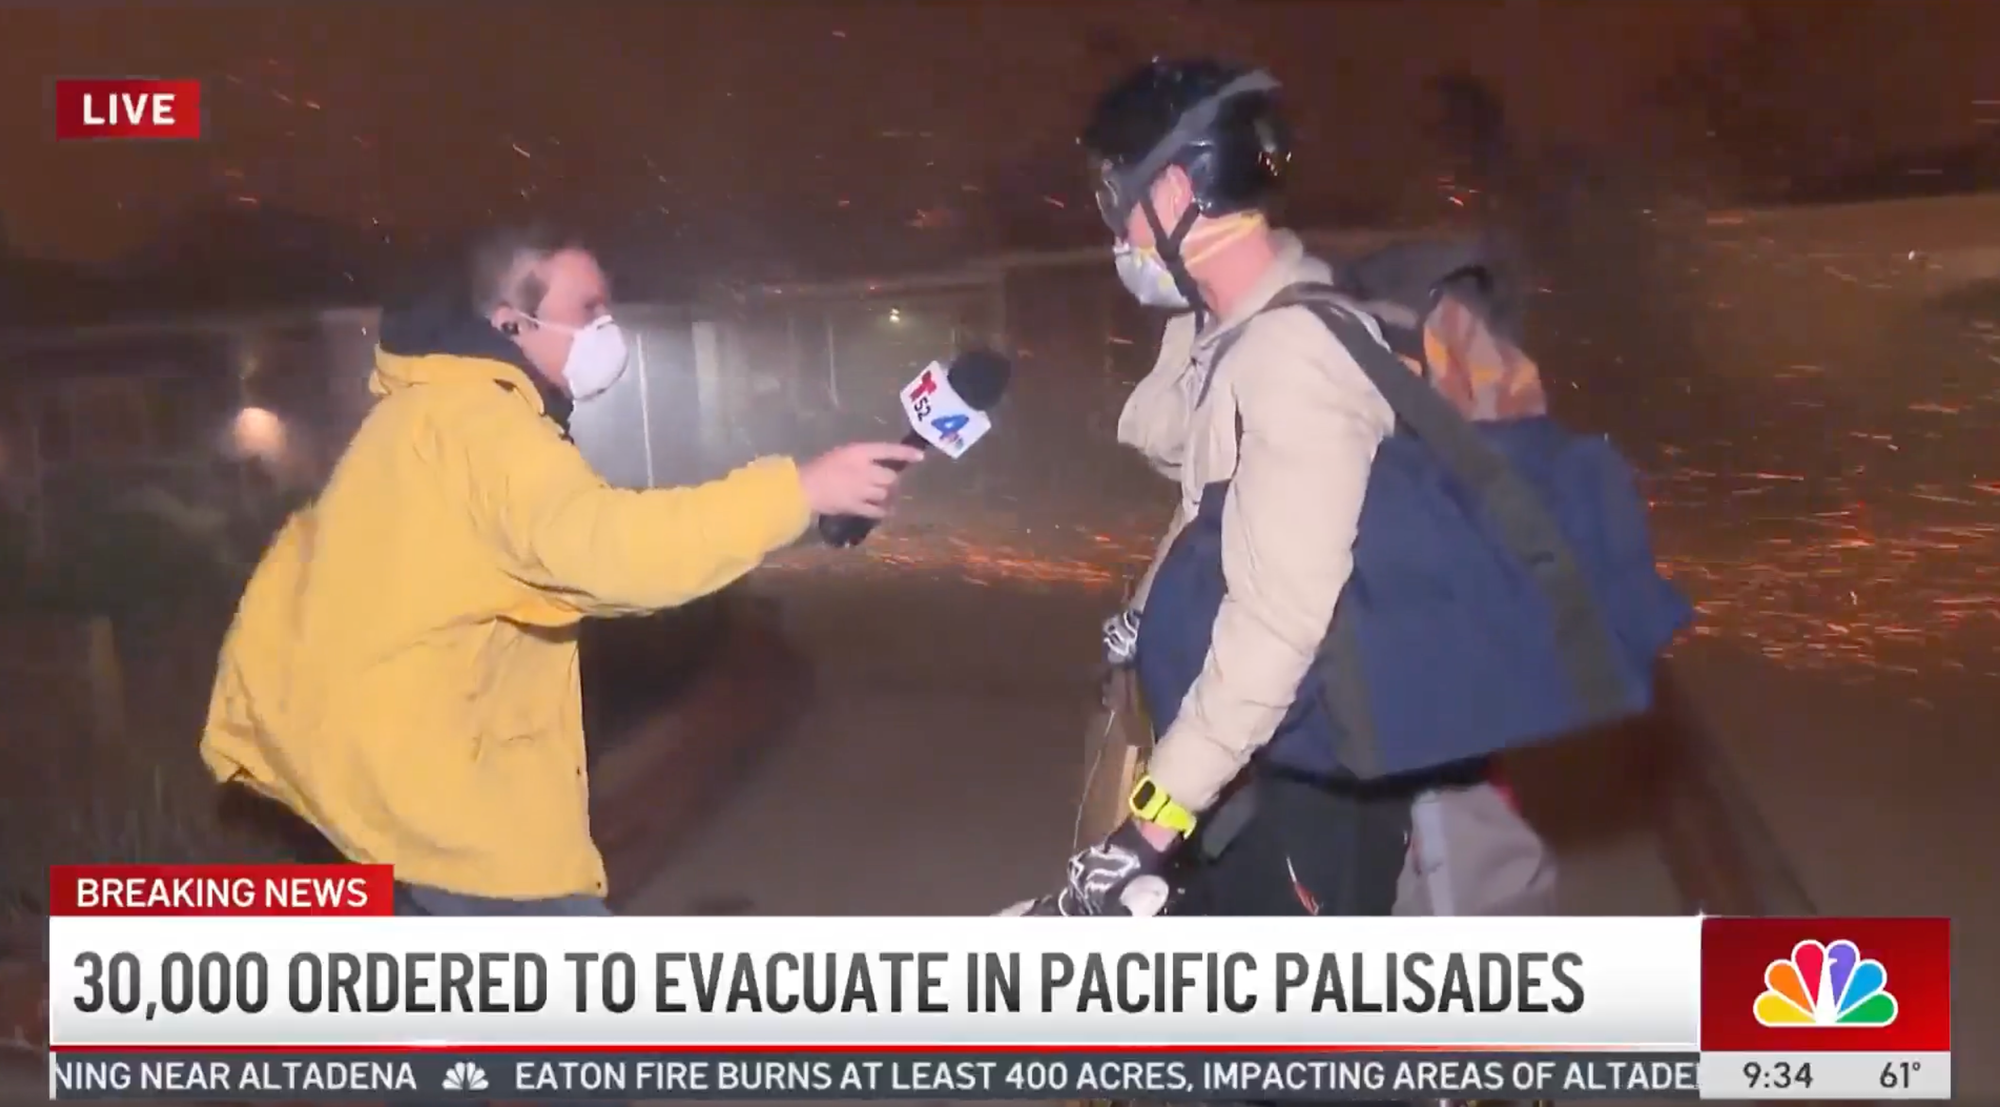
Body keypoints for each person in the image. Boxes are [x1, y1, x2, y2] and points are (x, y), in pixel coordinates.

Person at [201, 224, 923, 917]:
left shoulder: (430, 412)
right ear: (511, 323)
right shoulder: (482, 428)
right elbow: (609, 551)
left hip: (387, 787)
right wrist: (798, 491)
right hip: (445, 813)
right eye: (589, 309)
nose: (608, 327)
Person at [1020, 58, 1410, 919]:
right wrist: (1148, 612)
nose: (1115, 221)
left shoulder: (1293, 354)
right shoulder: (1247, 337)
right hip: (1248, 774)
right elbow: (1204, 499)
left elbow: (1277, 623)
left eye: (1122, 191)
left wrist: (1148, 829)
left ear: (1178, 184)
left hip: (1303, 796)